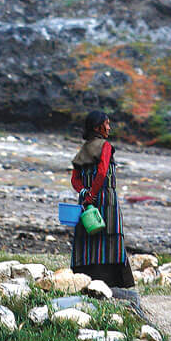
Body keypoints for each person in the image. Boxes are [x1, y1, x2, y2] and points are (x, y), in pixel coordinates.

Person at [69, 110, 134, 288]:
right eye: (107, 124)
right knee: (109, 236)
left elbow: (75, 180)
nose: (109, 127)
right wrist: (93, 195)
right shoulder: (105, 146)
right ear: (98, 127)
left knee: (88, 238)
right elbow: (103, 172)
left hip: (86, 203)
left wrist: (85, 194)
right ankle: (114, 282)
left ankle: (84, 279)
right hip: (106, 200)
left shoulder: (83, 150)